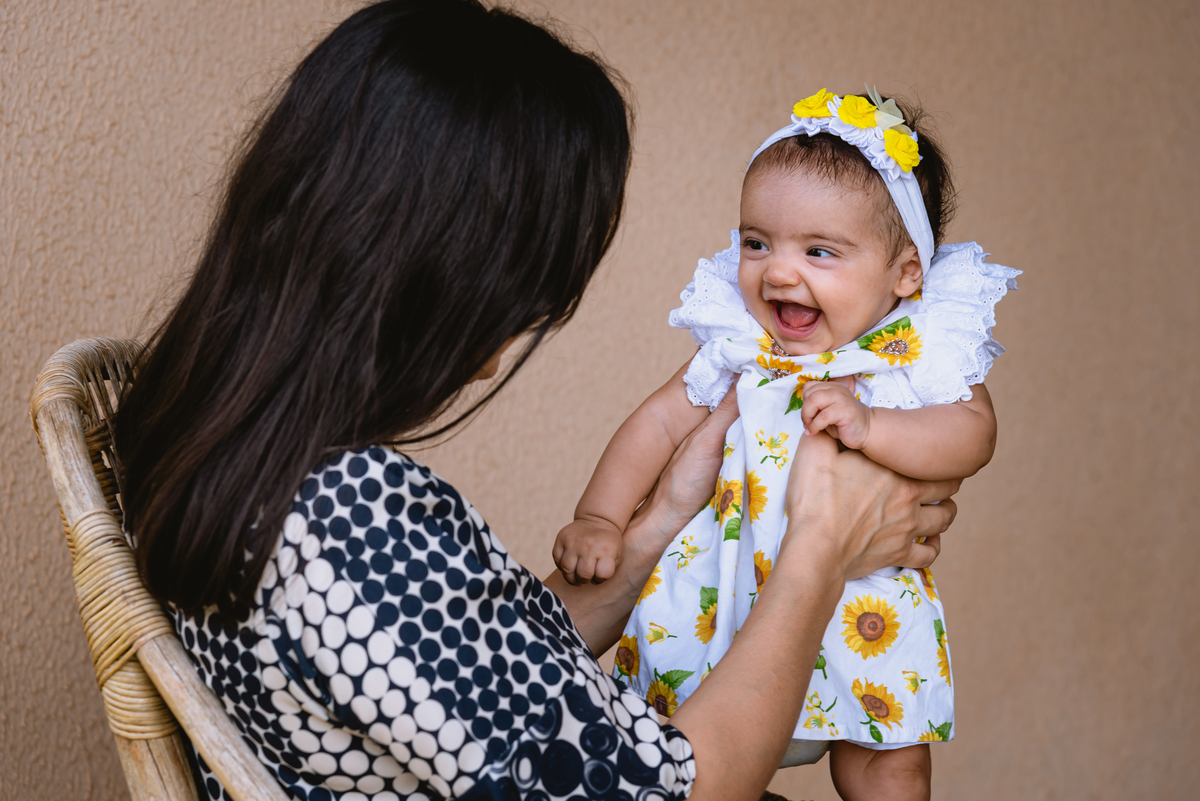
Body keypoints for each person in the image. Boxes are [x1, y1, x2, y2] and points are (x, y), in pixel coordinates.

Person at [113, 4, 960, 800]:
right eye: (547, 266)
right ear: (455, 263)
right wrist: (821, 544)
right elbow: (671, 788)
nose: (541, 313)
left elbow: (478, 674)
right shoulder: (345, 513)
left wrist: (656, 523)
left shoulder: (226, 456)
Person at [552, 88, 1019, 800]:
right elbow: (657, 422)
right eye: (756, 241)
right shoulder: (742, 346)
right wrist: (601, 517)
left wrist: (874, 427)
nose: (778, 271)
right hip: (722, 605)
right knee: (692, 743)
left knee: (885, 759)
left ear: (906, 273)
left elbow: (972, 433)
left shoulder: (910, 352)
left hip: (861, 608)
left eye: (820, 250)